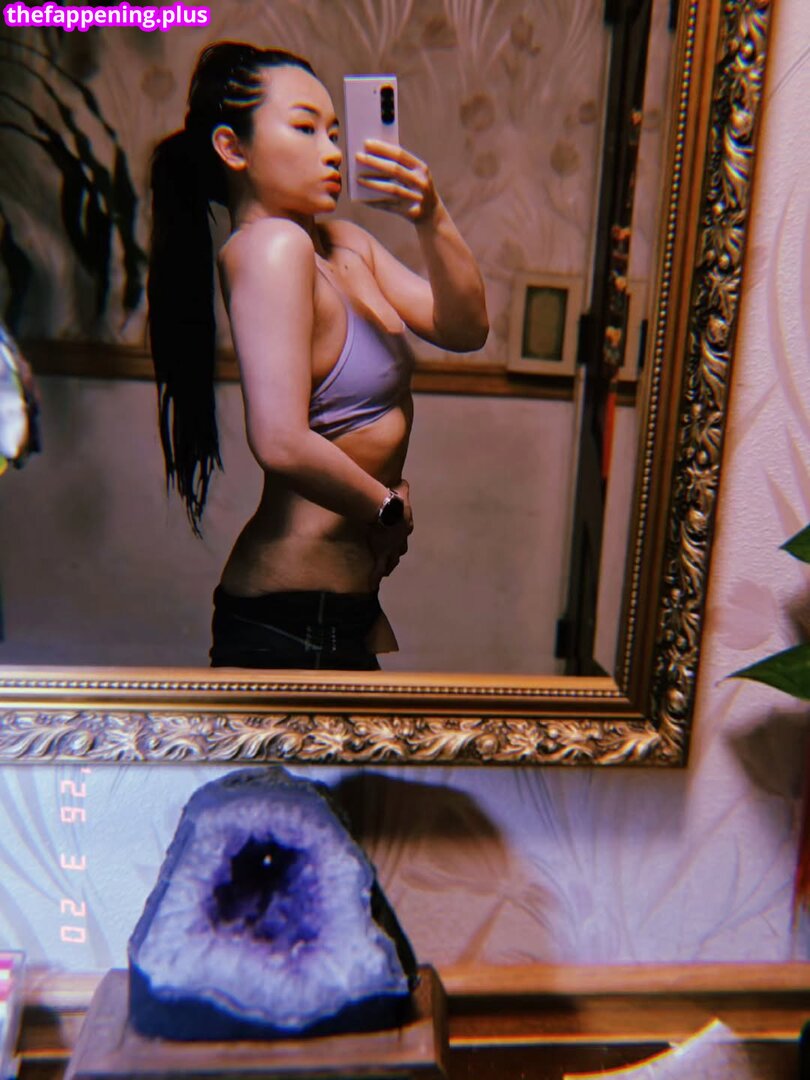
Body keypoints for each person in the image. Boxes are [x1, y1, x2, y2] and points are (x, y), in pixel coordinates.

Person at [148, 41, 488, 671]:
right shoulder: (272, 248)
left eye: (334, 131)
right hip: (292, 621)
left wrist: (430, 214)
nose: (331, 150)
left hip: (340, 611)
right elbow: (279, 441)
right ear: (233, 148)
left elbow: (464, 328)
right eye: (305, 128)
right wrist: (385, 508)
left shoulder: (344, 243)